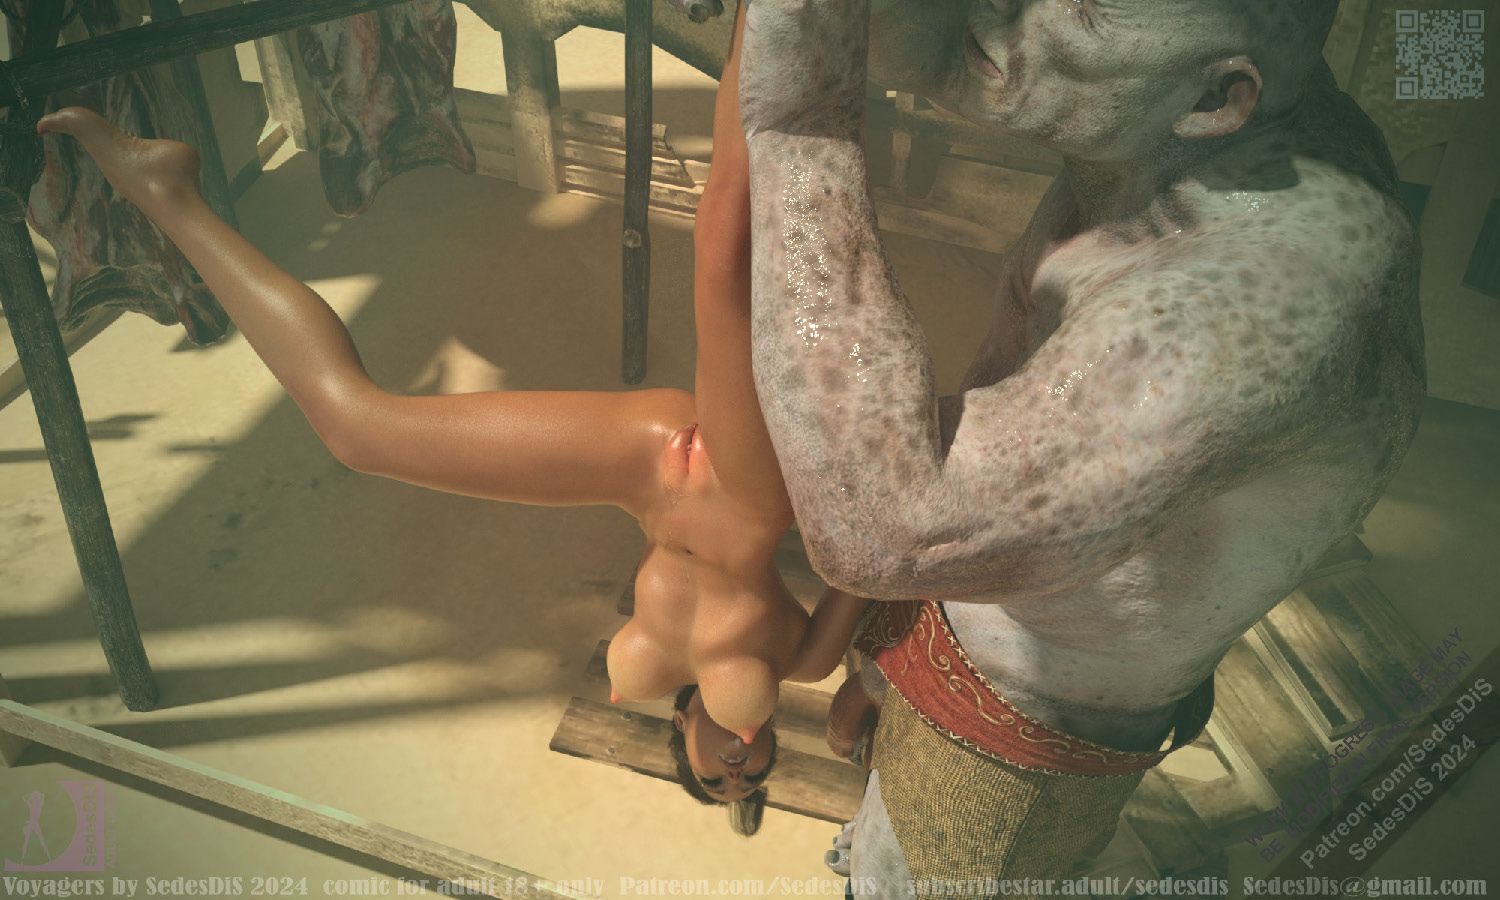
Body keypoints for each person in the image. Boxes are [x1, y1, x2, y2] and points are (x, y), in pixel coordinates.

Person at [35, 0, 866, 836]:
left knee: (359, 432)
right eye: (753, 775)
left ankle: (167, 192)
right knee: (725, 242)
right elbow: (883, 563)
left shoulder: (646, 676)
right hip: (744, 494)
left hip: (651, 478)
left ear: (679, 739)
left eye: (714, 782)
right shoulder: (803, 662)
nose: (736, 771)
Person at [736, 0, 1423, 891]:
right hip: (979, 620)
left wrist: (800, 128)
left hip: (1023, 733)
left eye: (1086, 10)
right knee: (887, 820)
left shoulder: (1258, 308)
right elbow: (945, 49)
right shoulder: (1179, 103)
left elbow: (882, 526)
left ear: (1216, 101)